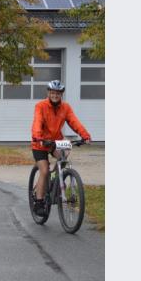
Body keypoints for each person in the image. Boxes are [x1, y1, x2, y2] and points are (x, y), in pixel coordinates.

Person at [31, 80, 92, 216]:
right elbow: (37, 122)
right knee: (45, 170)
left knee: (64, 158)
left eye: (58, 93)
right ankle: (39, 201)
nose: (55, 95)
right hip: (40, 143)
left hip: (56, 142)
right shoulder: (40, 106)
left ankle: (56, 181)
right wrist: (38, 136)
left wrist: (85, 135)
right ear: (49, 93)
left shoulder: (66, 108)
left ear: (61, 95)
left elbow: (74, 122)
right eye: (53, 93)